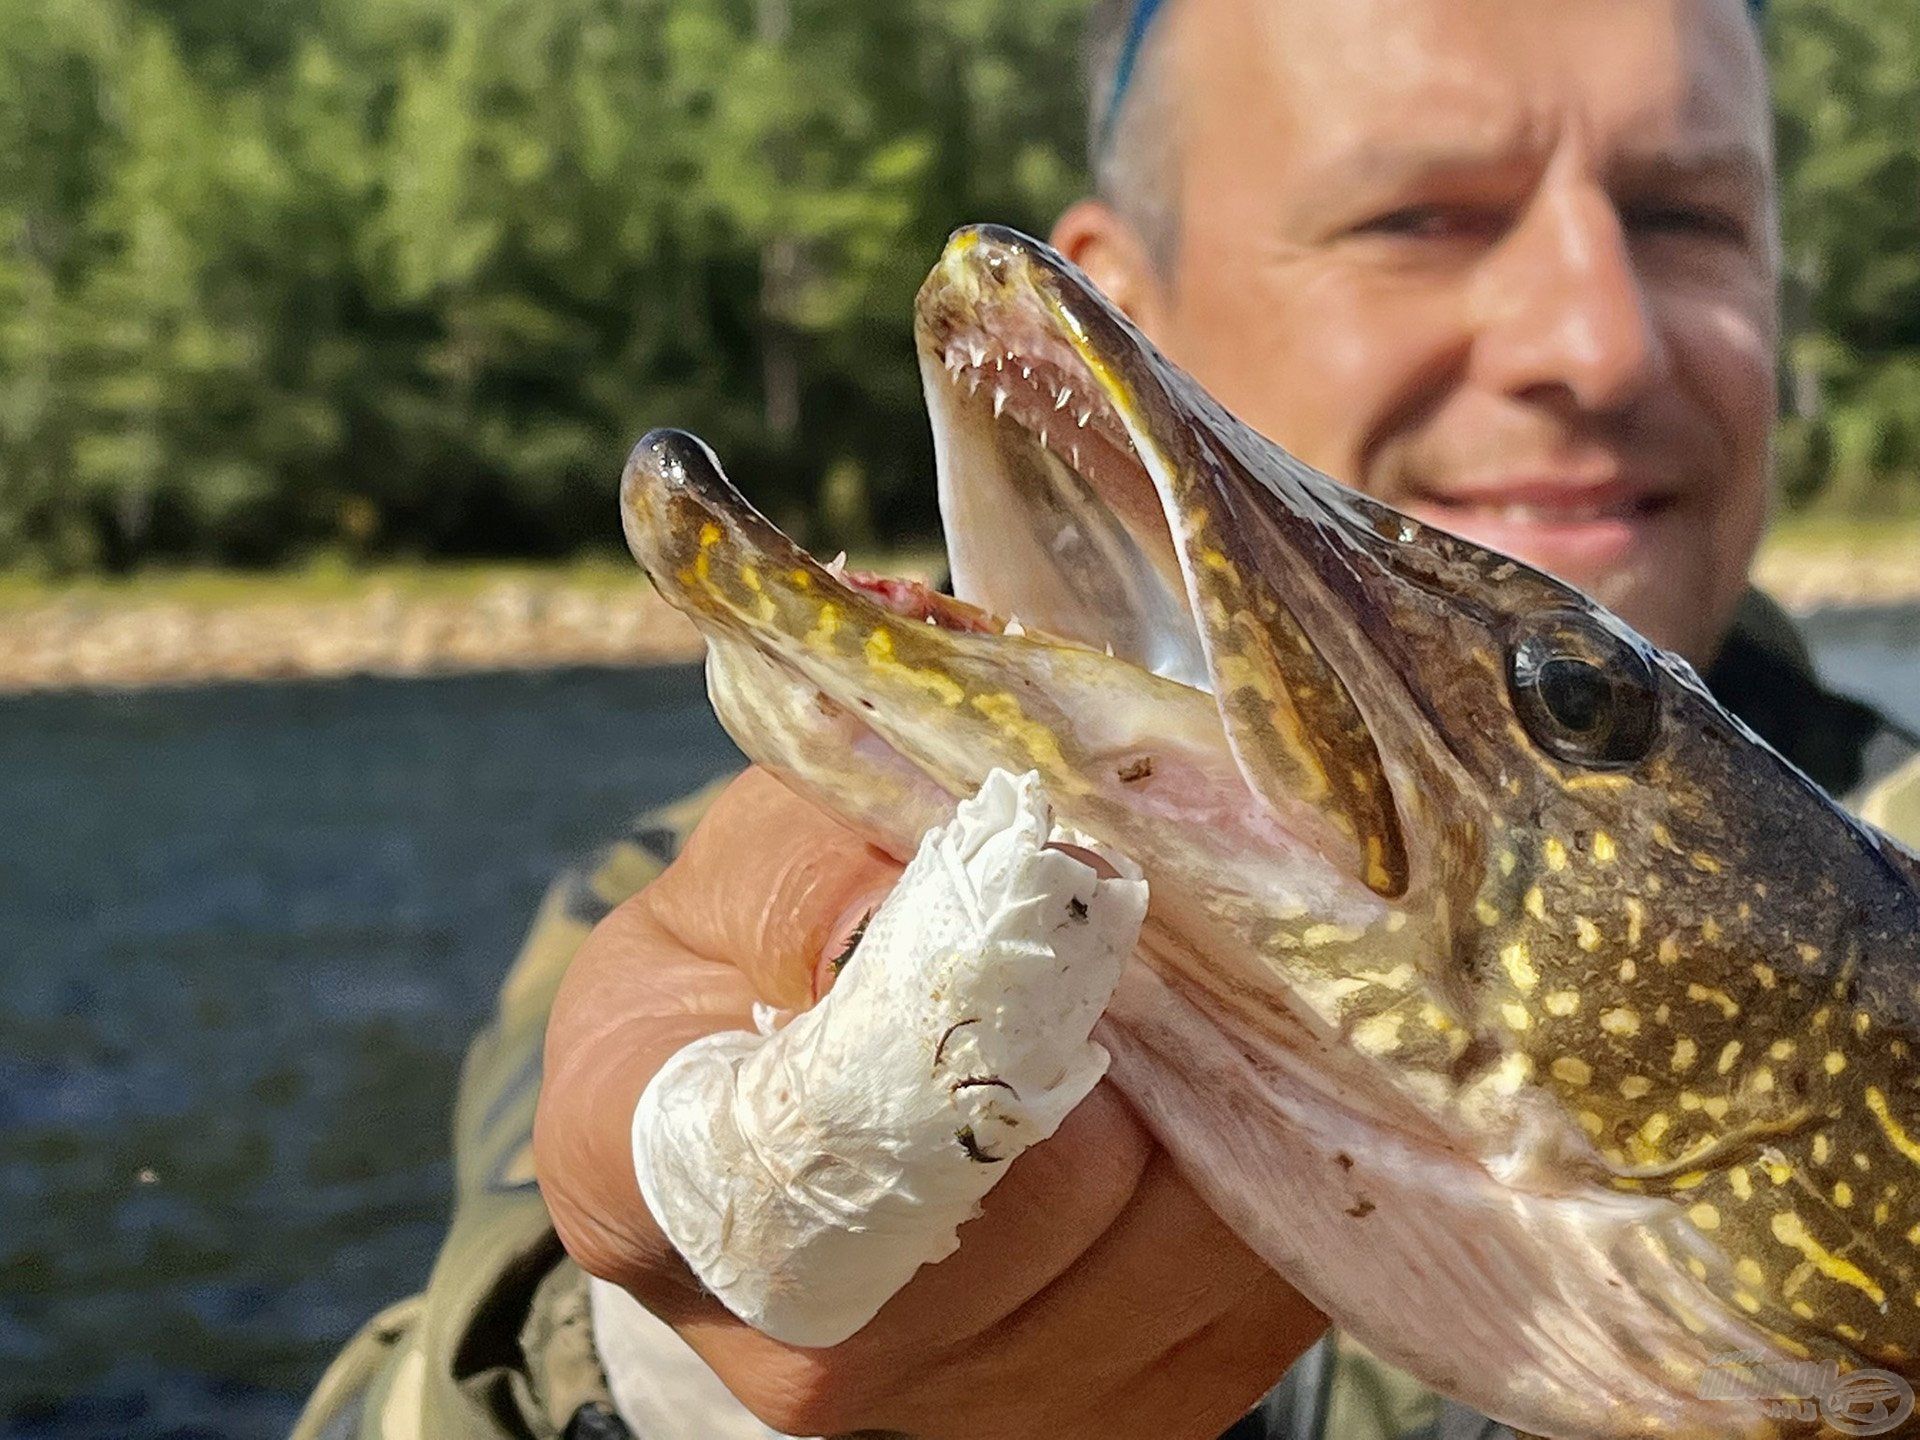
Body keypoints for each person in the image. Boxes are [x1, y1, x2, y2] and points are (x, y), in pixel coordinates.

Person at [291, 0, 1920, 1436]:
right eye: (1418, 216)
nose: (1595, 337)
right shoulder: (651, 916)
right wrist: (628, 1386)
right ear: (1136, 286)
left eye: (1688, 215)